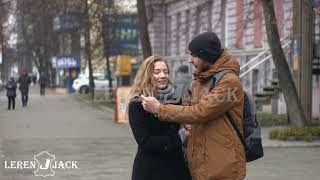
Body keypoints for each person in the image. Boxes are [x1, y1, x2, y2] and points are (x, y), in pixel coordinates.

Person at [141, 32, 246, 180]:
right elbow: (188, 107)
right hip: (200, 163)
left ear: (206, 56)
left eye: (193, 56)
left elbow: (200, 112)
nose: (189, 60)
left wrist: (160, 109)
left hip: (222, 166)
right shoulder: (200, 79)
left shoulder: (229, 82)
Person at [128, 55, 191, 180]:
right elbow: (145, 141)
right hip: (150, 170)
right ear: (147, 75)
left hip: (177, 169)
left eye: (166, 72)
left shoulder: (177, 98)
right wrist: (180, 138)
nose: (163, 75)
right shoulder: (137, 103)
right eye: (157, 72)